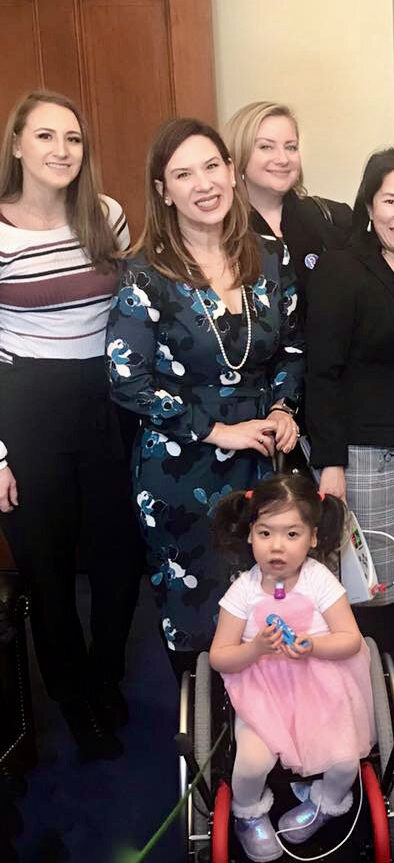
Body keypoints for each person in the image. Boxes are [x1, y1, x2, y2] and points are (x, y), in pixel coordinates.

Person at [106, 118, 302, 673]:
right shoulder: (145, 276)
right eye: (184, 174)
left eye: (212, 166)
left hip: (263, 463)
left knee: (269, 606)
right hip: (181, 469)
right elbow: (127, 380)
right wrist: (218, 432)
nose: (204, 183)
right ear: (164, 191)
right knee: (199, 616)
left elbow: (293, 347)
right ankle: (209, 746)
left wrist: (285, 407)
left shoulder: (269, 255)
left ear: (232, 172)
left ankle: (269, 734)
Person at [0, 91, 140, 761]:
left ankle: (106, 674)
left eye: (75, 139)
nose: (62, 151)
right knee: (47, 568)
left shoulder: (106, 218)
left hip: (106, 401)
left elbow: (135, 313)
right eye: (47, 136)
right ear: (18, 144)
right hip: (25, 404)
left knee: (119, 556)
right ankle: (74, 698)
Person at [305, 148, 394, 659]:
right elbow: (323, 373)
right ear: (368, 205)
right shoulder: (342, 269)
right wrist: (331, 463)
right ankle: (366, 710)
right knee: (367, 588)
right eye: (391, 201)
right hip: (365, 456)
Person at [210, 473, 374, 861]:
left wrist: (314, 645)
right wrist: (254, 649)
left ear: (313, 538)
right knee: (250, 763)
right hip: (263, 693)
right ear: (250, 535)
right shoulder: (243, 591)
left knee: (344, 762)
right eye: (265, 534)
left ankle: (323, 804)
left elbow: (350, 638)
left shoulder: (320, 580)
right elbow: (219, 655)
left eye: (291, 535)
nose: (277, 547)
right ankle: (248, 815)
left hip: (320, 688)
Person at [222, 101, 353, 295]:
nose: (283, 159)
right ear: (239, 152)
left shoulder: (334, 218)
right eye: (266, 147)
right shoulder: (220, 230)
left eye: (291, 147)